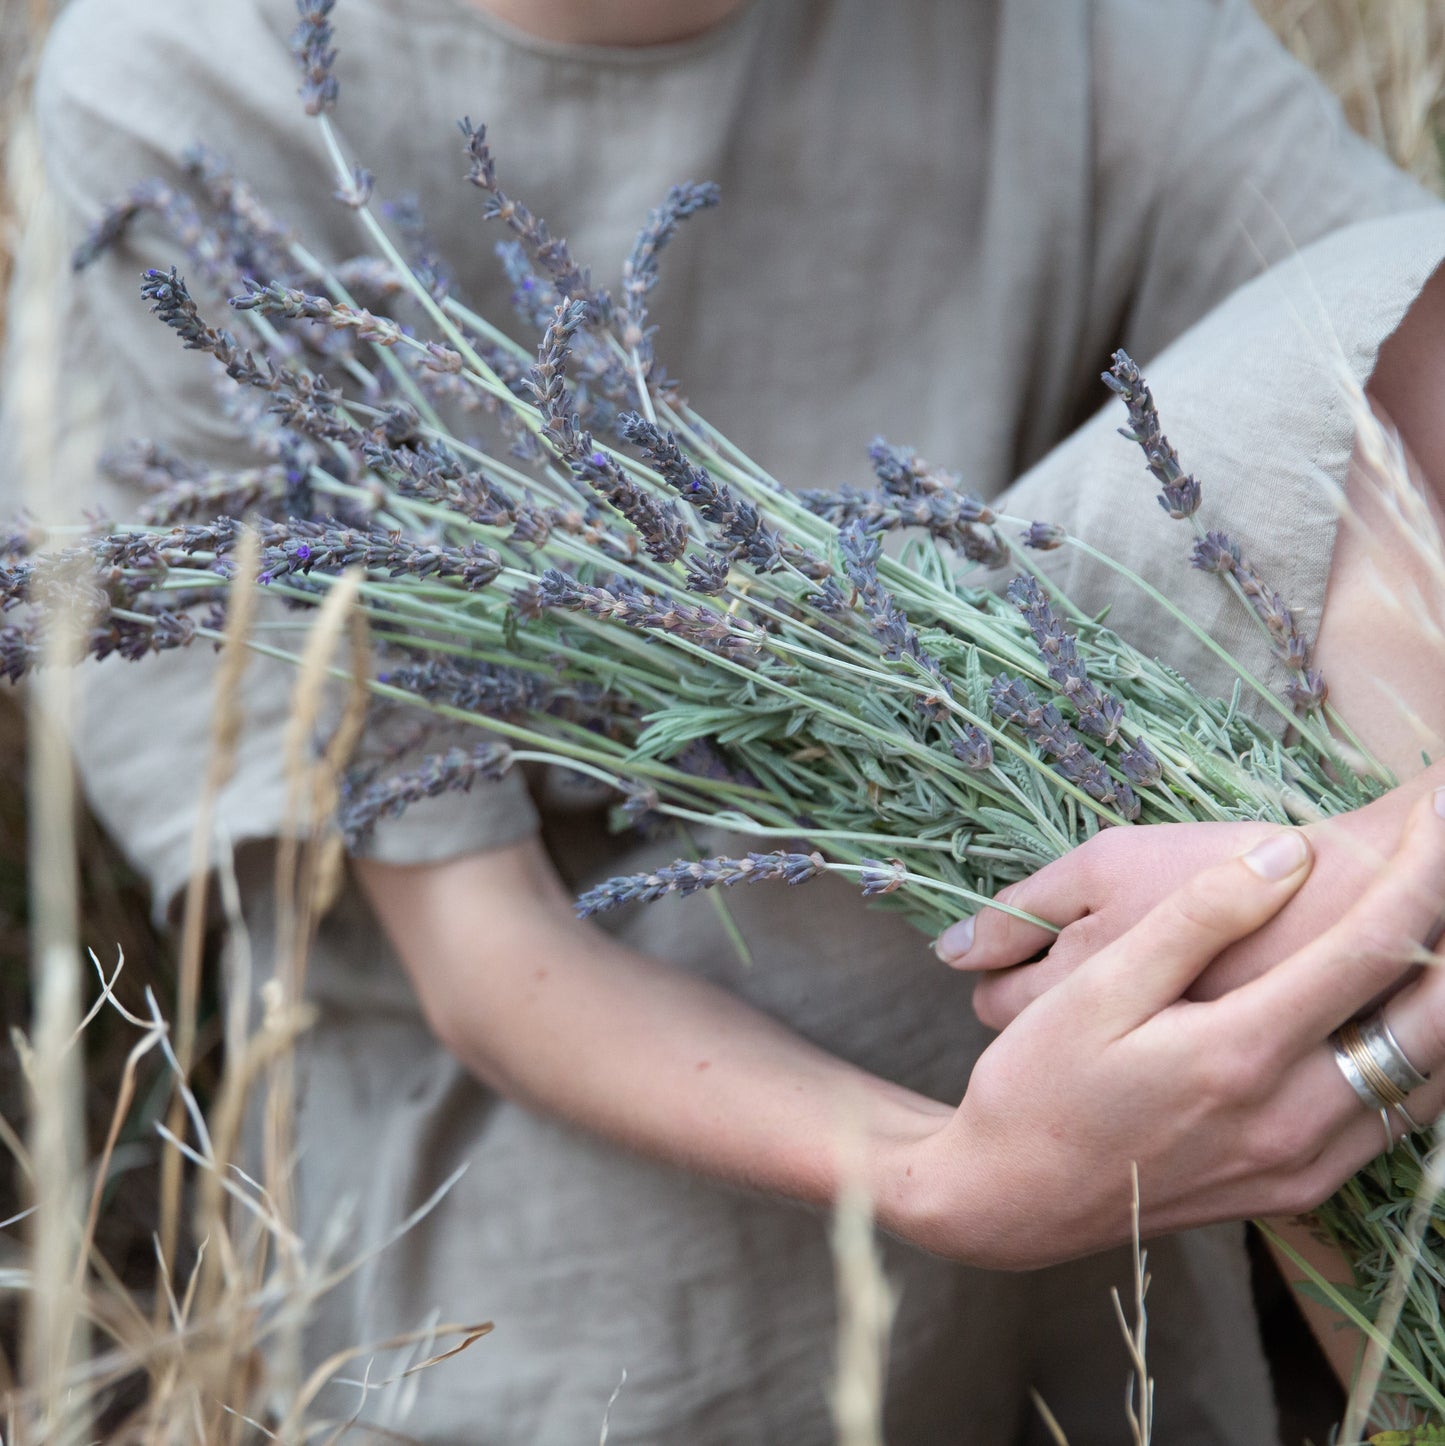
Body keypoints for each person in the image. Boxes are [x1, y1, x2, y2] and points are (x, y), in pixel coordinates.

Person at [6, 0, 1445, 1439]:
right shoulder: (202, 70)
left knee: (1377, 364)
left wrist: (1401, 856)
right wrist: (962, 1178)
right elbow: (485, 953)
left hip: (1061, 935)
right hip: (624, 1156)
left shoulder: (1056, 31)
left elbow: (1398, 358)